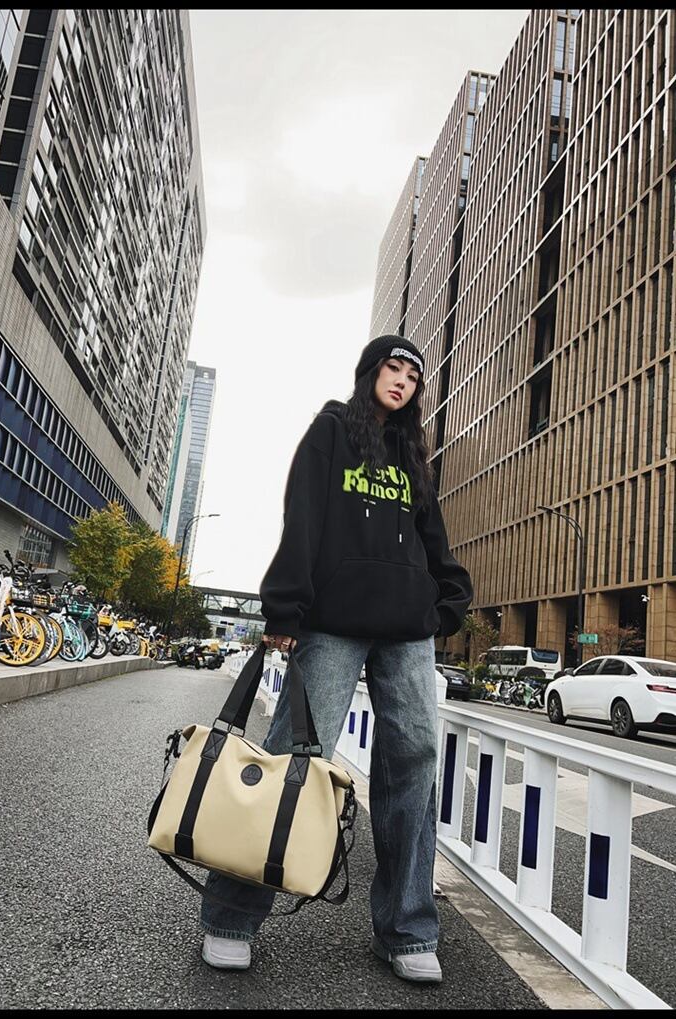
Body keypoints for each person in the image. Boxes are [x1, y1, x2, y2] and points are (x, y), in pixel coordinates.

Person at [199, 334, 473, 981]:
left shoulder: (412, 455)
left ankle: (407, 930)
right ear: (370, 372)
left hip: (406, 628)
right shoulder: (331, 431)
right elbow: (302, 517)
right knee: (292, 756)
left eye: (412, 375)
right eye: (393, 368)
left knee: (414, 763)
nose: (402, 381)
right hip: (334, 620)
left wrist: (448, 602)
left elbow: (433, 537)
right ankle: (231, 917)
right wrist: (285, 608)